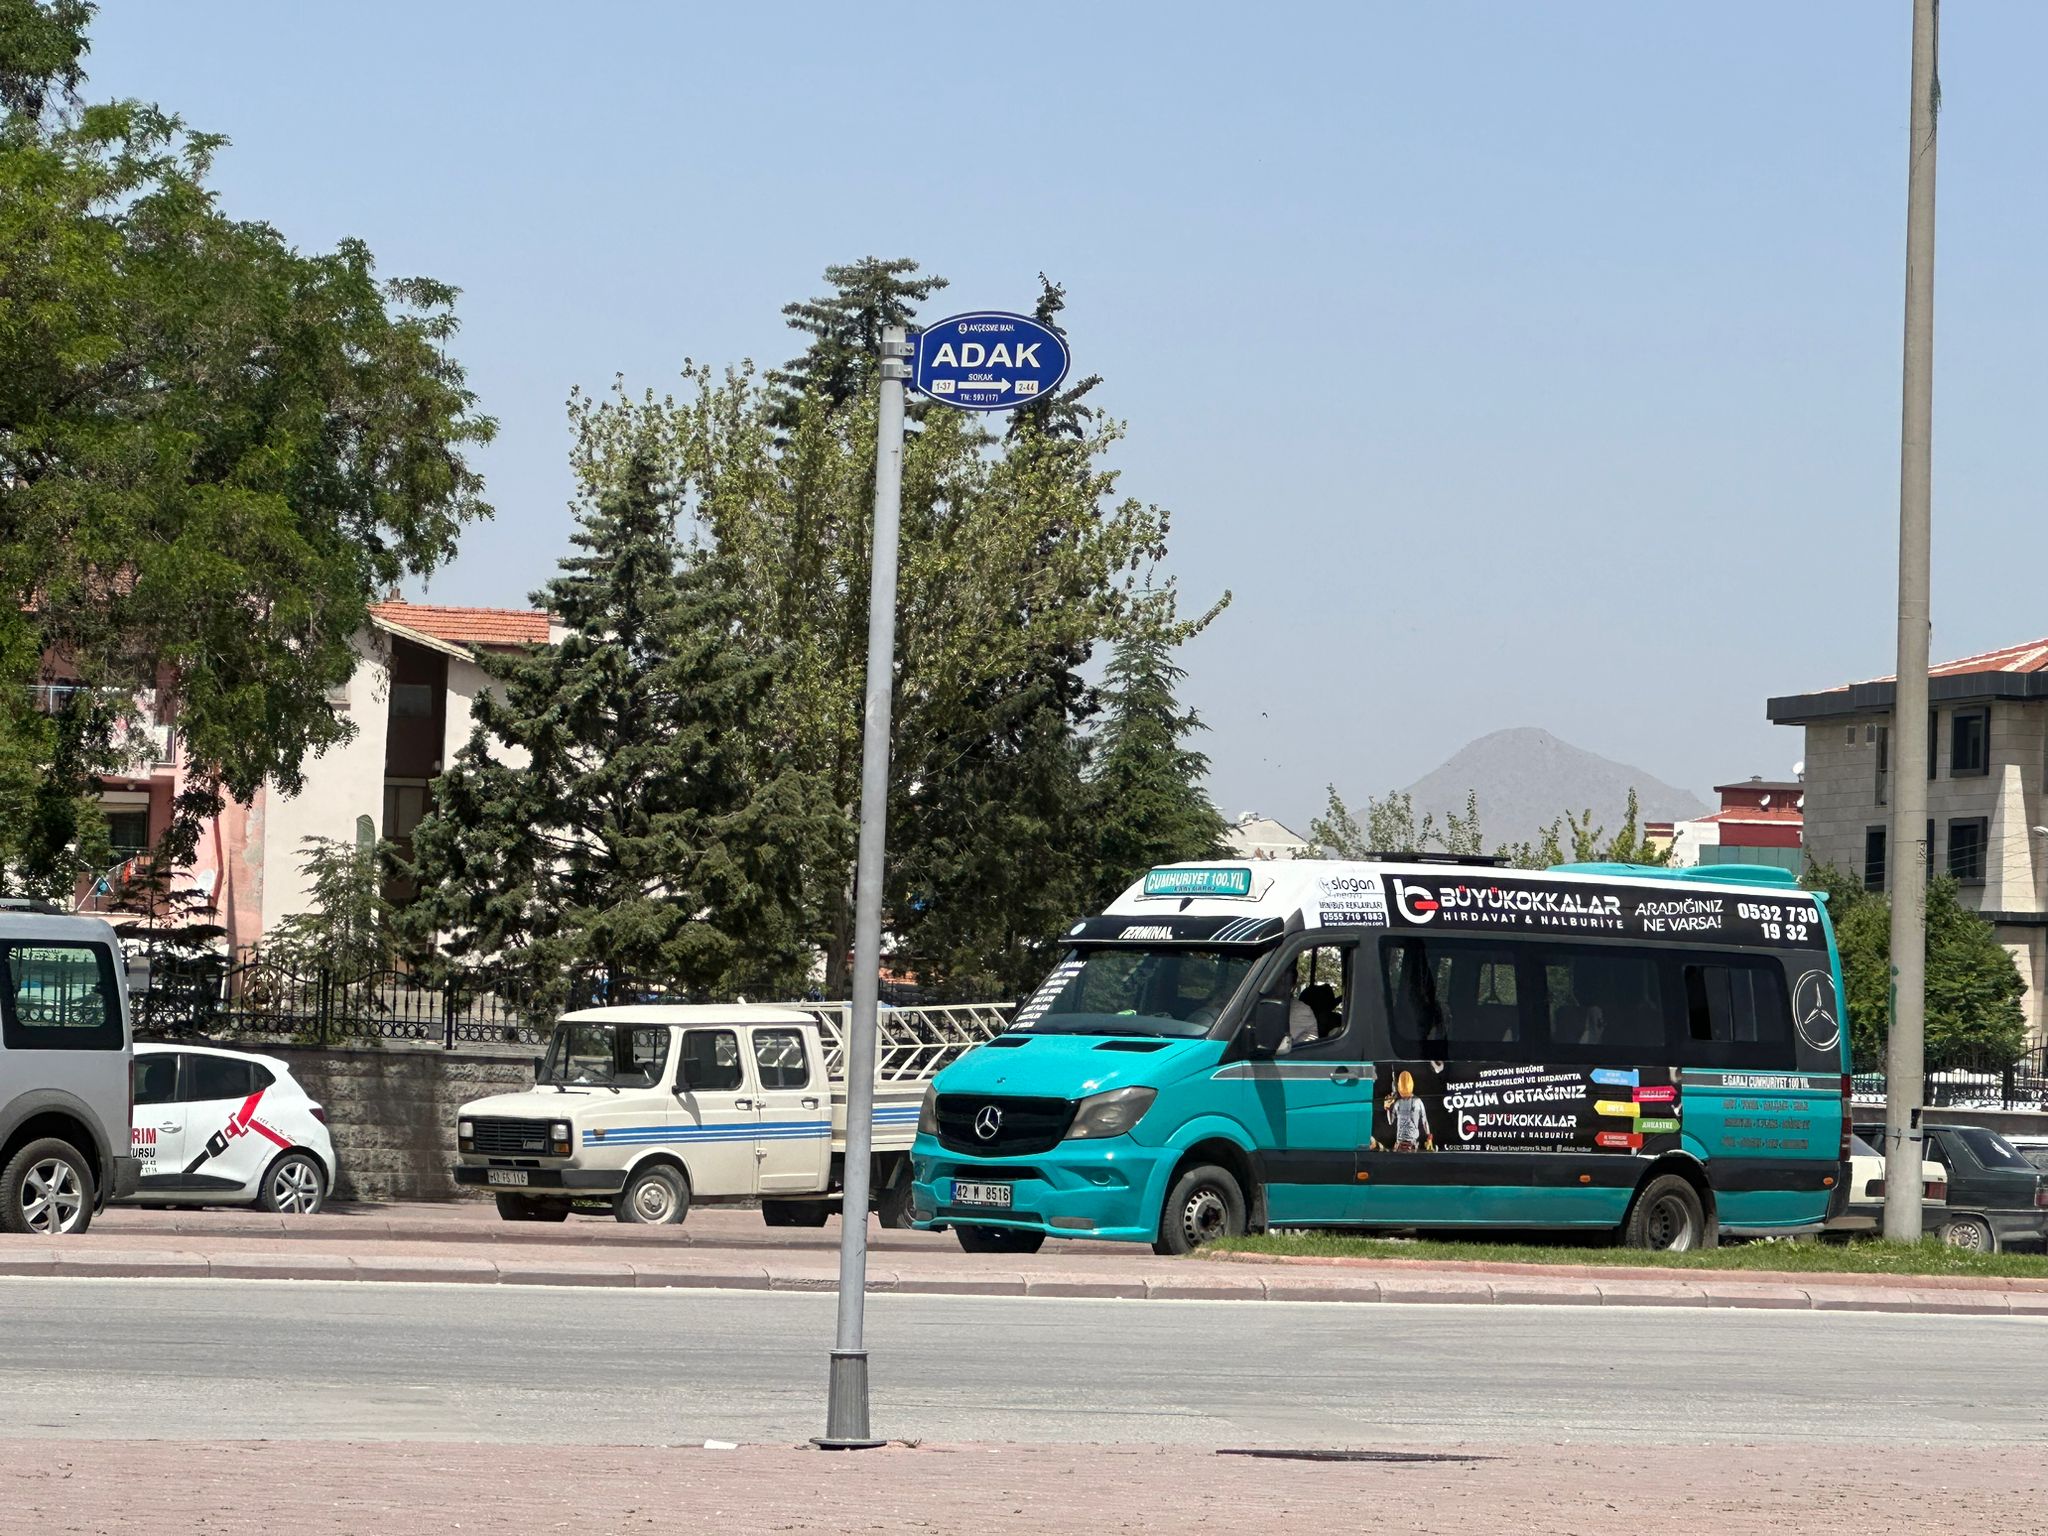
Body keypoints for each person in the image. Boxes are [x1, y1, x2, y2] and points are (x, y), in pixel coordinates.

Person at [1383, 1069, 1433, 1151]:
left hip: (1411, 1143)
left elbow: (1424, 1121)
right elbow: (1390, 1121)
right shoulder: (1399, 1103)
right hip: (1400, 1143)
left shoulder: (1417, 1101)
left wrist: (1429, 1137)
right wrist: (1388, 1108)